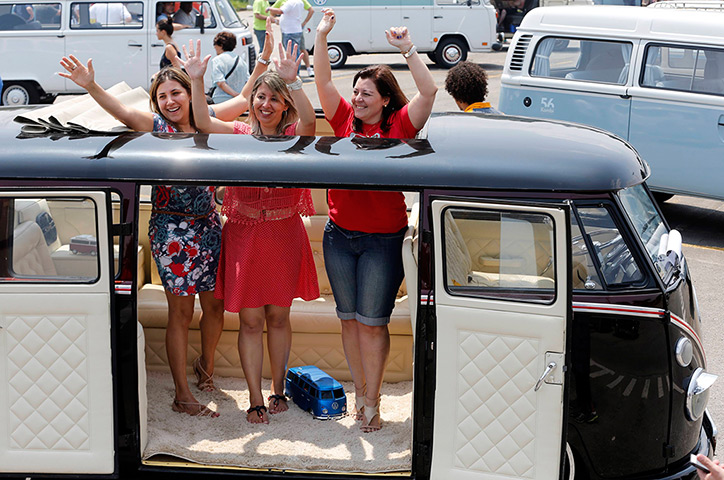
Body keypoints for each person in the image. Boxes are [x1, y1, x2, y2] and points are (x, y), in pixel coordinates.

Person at [58, 56, 225, 418]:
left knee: (215, 306)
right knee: (180, 313)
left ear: (189, 93)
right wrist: (90, 84)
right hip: (172, 233)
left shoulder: (207, 125)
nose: (170, 101)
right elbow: (120, 112)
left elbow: (247, 102)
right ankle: (182, 394)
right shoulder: (155, 127)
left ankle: (206, 367)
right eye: (162, 96)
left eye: (176, 92)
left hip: (210, 227)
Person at [184, 35, 319, 424]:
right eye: (259, 97)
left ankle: (279, 391)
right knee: (250, 321)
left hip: (283, 235)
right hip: (244, 236)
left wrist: (294, 80)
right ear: (252, 102)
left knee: (278, 318)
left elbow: (311, 122)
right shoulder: (239, 136)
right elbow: (204, 122)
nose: (265, 104)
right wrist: (196, 79)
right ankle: (256, 398)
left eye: (273, 99)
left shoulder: (296, 137)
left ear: (284, 105)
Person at [314, 8, 436, 432]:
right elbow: (324, 82)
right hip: (338, 236)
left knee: (371, 323)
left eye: (367, 93)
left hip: (383, 240)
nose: (359, 98)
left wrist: (408, 49)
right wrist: (322, 35)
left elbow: (428, 91)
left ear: (385, 99)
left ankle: (372, 399)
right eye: (358, 92)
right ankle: (358, 391)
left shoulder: (400, 125)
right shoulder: (343, 119)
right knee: (348, 319)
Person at [268, 0, 314, 77]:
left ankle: (299, 72)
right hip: (293, 30)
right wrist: (276, 20)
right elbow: (273, 14)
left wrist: (269, 9)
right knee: (294, 52)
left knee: (296, 51)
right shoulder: (296, 2)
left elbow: (280, 11)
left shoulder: (291, 2)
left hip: (290, 31)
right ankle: (296, 72)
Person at [209, 31, 249, 104]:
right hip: (239, 102)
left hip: (221, 100)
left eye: (215, 45)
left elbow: (220, 83)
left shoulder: (217, 60)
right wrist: (240, 96)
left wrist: (235, 95)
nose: (214, 47)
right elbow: (247, 81)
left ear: (221, 45)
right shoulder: (241, 61)